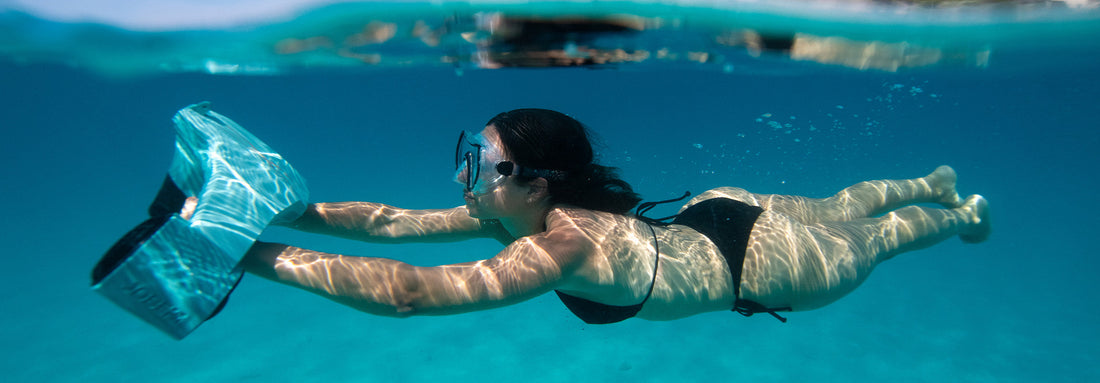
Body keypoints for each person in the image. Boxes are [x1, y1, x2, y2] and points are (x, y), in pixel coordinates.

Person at [193, 108, 989, 324]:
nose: (464, 176)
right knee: (838, 204)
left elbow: (409, 292)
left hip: (767, 267)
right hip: (716, 208)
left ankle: (955, 209)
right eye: (468, 153)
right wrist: (279, 208)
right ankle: (930, 177)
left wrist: (248, 255)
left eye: (482, 163)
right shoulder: (515, 213)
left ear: (536, 184)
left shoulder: (564, 246)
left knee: (876, 234)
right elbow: (392, 225)